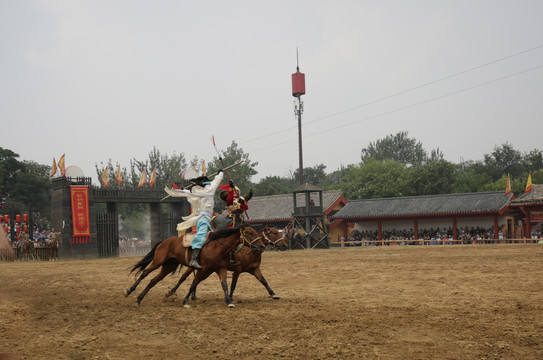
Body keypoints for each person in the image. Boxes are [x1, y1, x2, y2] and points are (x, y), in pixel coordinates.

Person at [166, 170, 224, 269]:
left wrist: (177, 190)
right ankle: (193, 260)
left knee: (214, 237)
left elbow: (185, 192)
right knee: (201, 237)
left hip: (206, 219)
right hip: (204, 219)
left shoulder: (197, 192)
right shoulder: (209, 191)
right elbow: (217, 181)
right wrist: (220, 173)